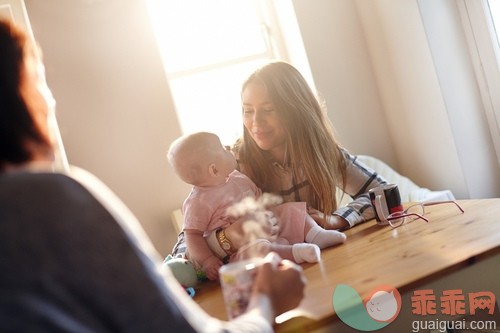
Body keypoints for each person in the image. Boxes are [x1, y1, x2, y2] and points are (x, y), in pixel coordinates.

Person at [0, 18, 306, 333]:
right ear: (20, 98)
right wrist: (265, 300)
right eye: (40, 82)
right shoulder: (49, 200)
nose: (51, 101)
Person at [173, 61, 388, 258]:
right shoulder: (231, 165)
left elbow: (385, 193)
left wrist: (339, 219)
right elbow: (183, 251)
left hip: (322, 262)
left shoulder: (323, 153)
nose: (256, 122)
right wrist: (227, 237)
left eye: (268, 110)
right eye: (248, 111)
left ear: (296, 112)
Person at [167, 131, 346, 280]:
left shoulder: (237, 177)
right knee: (256, 251)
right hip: (240, 248)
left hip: (267, 224)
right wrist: (207, 260)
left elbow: (258, 198)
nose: (228, 148)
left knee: (290, 209)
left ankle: (317, 234)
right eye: (223, 148)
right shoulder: (198, 202)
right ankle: (297, 253)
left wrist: (270, 215)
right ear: (214, 170)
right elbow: (191, 235)